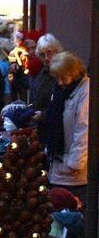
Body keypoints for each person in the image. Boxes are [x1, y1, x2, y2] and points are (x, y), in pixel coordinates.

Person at [41, 52, 89, 200]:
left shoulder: (85, 92)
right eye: (57, 78)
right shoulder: (60, 91)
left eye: (64, 77)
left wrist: (74, 163)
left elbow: (83, 129)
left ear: (74, 73)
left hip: (73, 171)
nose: (60, 82)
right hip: (59, 164)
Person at [31, 33, 64, 113]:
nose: (46, 58)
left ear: (57, 51)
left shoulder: (63, 72)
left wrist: (43, 114)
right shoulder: (42, 71)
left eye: (49, 52)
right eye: (42, 54)